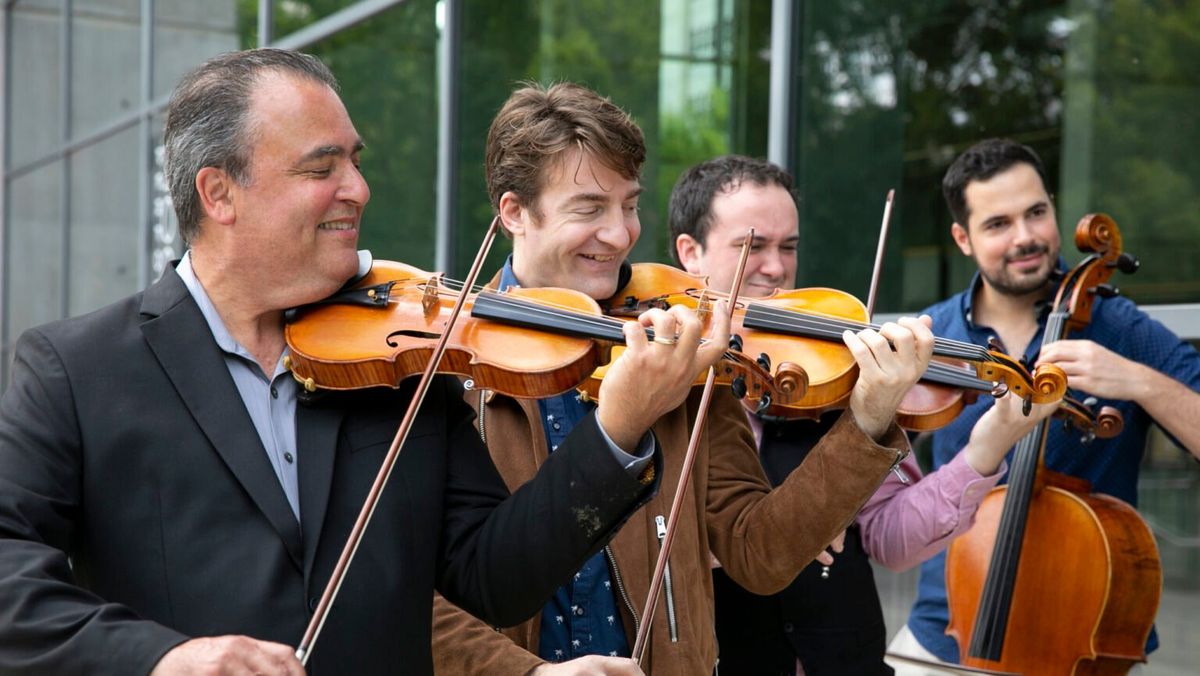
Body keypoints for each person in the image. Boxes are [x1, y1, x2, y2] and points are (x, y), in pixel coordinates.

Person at [0, 49, 728, 676]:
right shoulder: (75, 370)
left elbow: (496, 576)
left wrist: (617, 428)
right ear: (219, 193)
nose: (358, 188)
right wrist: (158, 659)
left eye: (355, 161)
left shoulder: (402, 369)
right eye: (323, 167)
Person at [430, 83, 936, 676]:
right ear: (515, 212)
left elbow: (759, 551)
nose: (620, 234)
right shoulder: (445, 363)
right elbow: (400, 591)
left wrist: (867, 419)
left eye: (629, 204)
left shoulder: (683, 352)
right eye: (590, 208)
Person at [668, 154, 1058, 675]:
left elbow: (891, 540)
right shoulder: (662, 386)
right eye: (752, 246)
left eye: (789, 247)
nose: (777, 267)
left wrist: (989, 443)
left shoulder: (830, 373)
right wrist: (771, 532)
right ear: (690, 253)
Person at [889, 138, 1200, 670]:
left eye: (1036, 212)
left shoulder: (1116, 327)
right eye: (998, 224)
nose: (1026, 237)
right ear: (963, 238)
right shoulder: (934, 333)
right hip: (945, 632)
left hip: (1081, 637)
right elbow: (879, 466)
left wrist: (1140, 382)